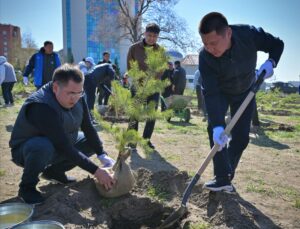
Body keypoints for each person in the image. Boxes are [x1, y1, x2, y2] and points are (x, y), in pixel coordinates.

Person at [198, 12, 284, 192]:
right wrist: (217, 127)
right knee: (215, 129)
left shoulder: (248, 35)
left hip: (246, 91)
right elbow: (211, 93)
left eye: (213, 43)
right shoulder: (205, 57)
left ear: (228, 33)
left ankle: (228, 173)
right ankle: (221, 178)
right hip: (221, 92)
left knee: (241, 138)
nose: (210, 48)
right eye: (205, 44)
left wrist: (271, 62)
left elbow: (277, 44)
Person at [10, 64, 116, 205]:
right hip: (27, 149)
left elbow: (88, 127)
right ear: (55, 88)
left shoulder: (78, 95)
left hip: (60, 141)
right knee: (42, 146)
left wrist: (102, 154)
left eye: (79, 92)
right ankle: (27, 188)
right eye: (71, 93)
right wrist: (96, 171)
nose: (75, 98)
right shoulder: (41, 105)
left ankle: (54, 172)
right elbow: (63, 146)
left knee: (89, 141)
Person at [127, 23, 163, 149]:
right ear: (144, 33)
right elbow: (130, 66)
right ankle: (132, 141)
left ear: (157, 37)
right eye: (149, 35)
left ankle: (146, 140)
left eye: (155, 36)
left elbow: (161, 69)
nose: (151, 38)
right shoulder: (134, 48)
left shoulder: (160, 51)